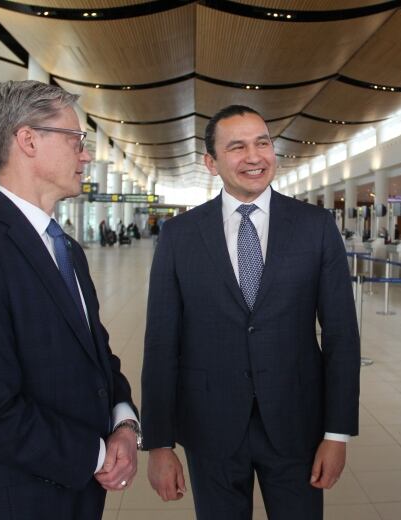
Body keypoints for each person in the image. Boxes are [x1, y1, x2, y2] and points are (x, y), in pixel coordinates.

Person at [0, 80, 141, 520]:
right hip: (13, 500)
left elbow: (97, 356)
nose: (87, 155)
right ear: (27, 140)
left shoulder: (68, 249)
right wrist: (98, 455)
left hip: (78, 496)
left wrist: (123, 423)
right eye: (77, 139)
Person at [141, 105, 360, 520]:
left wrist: (337, 432)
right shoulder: (180, 236)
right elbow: (161, 343)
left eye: (262, 143)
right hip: (210, 425)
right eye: (237, 147)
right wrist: (159, 442)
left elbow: (341, 336)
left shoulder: (315, 227)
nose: (254, 156)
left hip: (297, 425)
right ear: (211, 162)